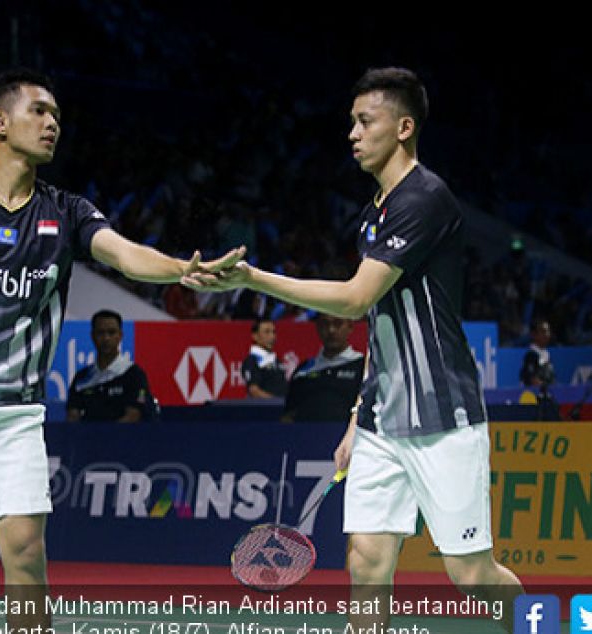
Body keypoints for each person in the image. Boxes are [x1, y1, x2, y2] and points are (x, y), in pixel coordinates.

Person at [0, 68, 243, 632]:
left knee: (28, 554)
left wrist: (182, 269)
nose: (52, 123)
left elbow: (124, 254)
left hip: (14, 410)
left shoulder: (68, 212)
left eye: (57, 115)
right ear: (0, 123)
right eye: (39, 111)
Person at [187, 67, 522, 631]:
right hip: (380, 422)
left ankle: (541, 622)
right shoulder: (376, 212)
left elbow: (353, 298)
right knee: (367, 561)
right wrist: (354, 420)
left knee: (470, 574)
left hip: (441, 411)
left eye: (366, 121)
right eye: (351, 123)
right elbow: (377, 320)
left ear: (403, 127)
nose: (353, 133)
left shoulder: (425, 198)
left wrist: (253, 279)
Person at [66, 310, 153, 422]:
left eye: (111, 333)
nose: (106, 338)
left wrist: (105, 436)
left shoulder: (134, 374)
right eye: (100, 333)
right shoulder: (81, 378)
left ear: (120, 336)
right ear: (92, 336)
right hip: (87, 438)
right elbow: (72, 417)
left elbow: (133, 416)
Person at [281, 314, 364, 423]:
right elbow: (288, 416)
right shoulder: (303, 371)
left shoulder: (363, 367)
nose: (331, 330)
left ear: (350, 326)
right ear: (317, 327)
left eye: (337, 323)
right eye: (325, 324)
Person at [241, 319, 287, 398]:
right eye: (267, 332)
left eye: (273, 332)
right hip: (268, 408)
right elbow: (254, 391)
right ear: (255, 336)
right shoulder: (251, 361)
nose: (272, 336)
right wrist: (276, 403)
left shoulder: (276, 360)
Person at [519, 318, 554, 387]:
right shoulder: (531, 355)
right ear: (534, 335)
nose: (547, 334)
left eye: (548, 331)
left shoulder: (546, 354)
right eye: (543, 332)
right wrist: (546, 388)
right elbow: (532, 380)